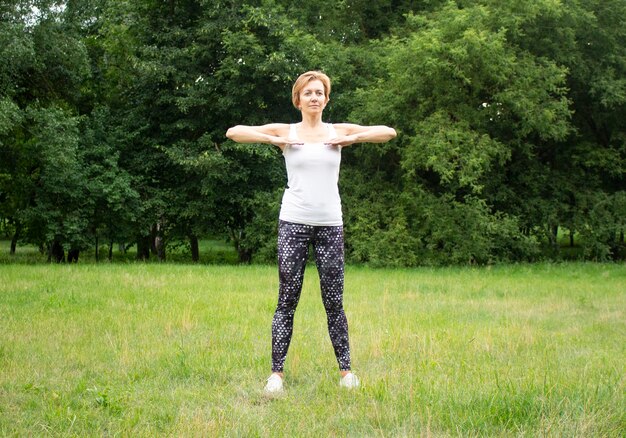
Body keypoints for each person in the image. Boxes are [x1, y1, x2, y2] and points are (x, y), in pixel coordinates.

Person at [226, 71, 396, 394]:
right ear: (299, 99)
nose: (315, 97)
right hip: (293, 223)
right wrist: (274, 140)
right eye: (309, 93)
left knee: (334, 302)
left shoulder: (338, 131)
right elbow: (234, 132)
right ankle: (276, 374)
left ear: (326, 99)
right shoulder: (286, 131)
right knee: (287, 300)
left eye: (320, 93)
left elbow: (388, 132)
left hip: (331, 225)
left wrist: (353, 139)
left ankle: (347, 373)